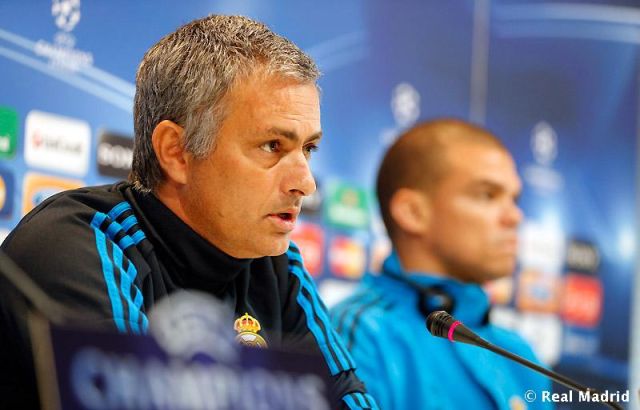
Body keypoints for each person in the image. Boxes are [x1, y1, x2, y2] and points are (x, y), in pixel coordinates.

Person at [0, 15, 377, 409]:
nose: (306, 183)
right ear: (176, 152)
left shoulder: (277, 267)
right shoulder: (78, 244)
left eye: (308, 149)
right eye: (272, 146)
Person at [331, 119, 552, 409]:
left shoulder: (521, 356)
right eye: (487, 195)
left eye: (514, 199)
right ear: (413, 212)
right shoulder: (358, 338)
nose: (515, 217)